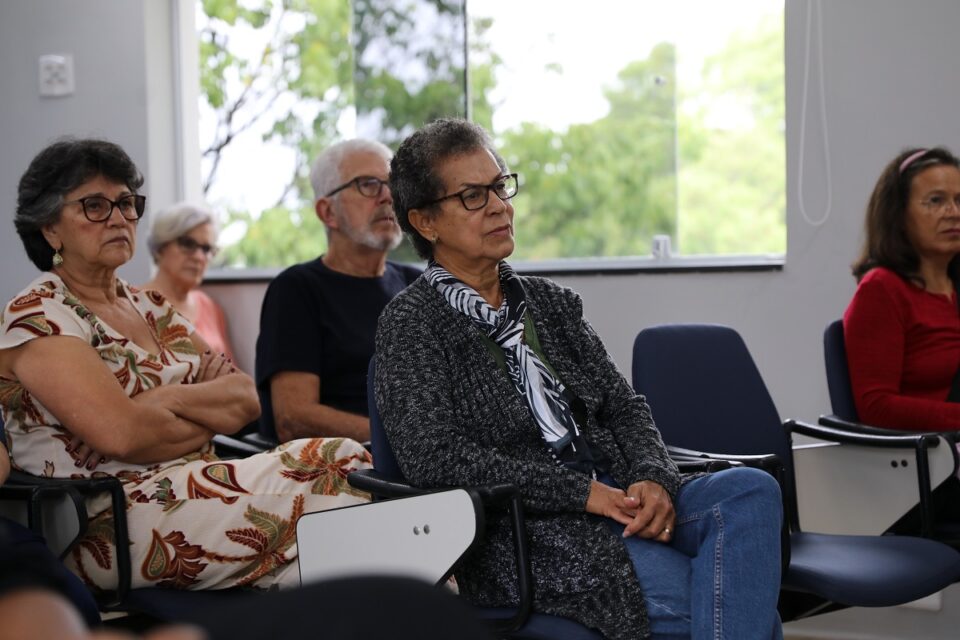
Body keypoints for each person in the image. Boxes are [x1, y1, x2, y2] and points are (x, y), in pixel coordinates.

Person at [375, 118, 784, 640]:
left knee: (751, 490)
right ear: (425, 222)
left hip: (622, 500)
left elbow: (623, 406)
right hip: (531, 536)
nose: (501, 205)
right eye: (474, 196)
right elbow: (434, 458)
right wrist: (581, 493)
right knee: (750, 615)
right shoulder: (411, 323)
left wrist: (653, 476)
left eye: (501, 186)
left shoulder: (550, 304)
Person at [0, 138, 372, 594]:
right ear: (50, 229)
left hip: (196, 483)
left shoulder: (150, 306)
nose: (118, 218)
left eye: (126, 203)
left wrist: (164, 401)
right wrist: (187, 418)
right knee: (342, 485)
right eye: (94, 206)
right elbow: (124, 435)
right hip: (109, 523)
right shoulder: (38, 315)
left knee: (347, 477)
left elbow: (243, 398)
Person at [255, 139, 420, 444]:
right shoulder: (296, 289)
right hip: (345, 467)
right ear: (327, 211)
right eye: (369, 185)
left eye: (393, 184)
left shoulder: (418, 284)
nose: (387, 197)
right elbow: (293, 418)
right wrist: (400, 440)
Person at [845, 147, 960, 431]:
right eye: (935, 201)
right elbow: (876, 406)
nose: (953, 213)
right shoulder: (882, 289)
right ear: (898, 215)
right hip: (928, 456)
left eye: (959, 200)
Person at [142, 203, 234, 361]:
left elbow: (231, 371)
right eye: (188, 244)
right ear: (161, 247)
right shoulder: (134, 303)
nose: (199, 257)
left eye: (206, 249)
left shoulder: (209, 306)